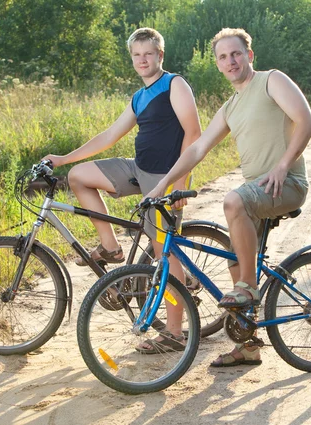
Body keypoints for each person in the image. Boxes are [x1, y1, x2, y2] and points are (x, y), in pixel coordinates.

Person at [145, 28, 311, 367]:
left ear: (249, 55)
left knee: (232, 202)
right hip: (258, 191)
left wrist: (283, 166)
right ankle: (248, 342)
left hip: (287, 183)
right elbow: (197, 148)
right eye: (223, 57)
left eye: (236, 53)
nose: (230, 61)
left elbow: (306, 121)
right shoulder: (230, 107)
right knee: (234, 253)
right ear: (218, 65)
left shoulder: (271, 81)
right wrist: (161, 185)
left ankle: (248, 288)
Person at [43, 27, 201, 353]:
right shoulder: (139, 96)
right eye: (136, 55)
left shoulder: (174, 84)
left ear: (160, 55)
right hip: (137, 170)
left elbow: (194, 133)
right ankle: (111, 248)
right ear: (132, 59)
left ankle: (174, 332)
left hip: (165, 178)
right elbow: (109, 136)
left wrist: (178, 185)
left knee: (164, 256)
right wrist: (63, 158)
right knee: (79, 176)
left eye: (148, 54)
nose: (142, 60)